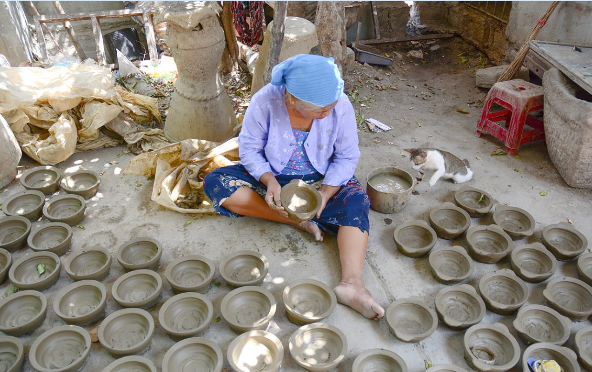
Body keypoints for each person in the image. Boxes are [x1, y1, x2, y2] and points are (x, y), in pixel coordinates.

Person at [203, 54, 384, 320]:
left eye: (330, 108)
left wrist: (324, 194)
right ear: (291, 99)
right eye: (320, 111)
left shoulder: (340, 104)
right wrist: (270, 181)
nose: (328, 113)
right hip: (275, 177)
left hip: (323, 179)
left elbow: (347, 157)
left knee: (357, 200)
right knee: (216, 183)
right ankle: (297, 221)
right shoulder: (265, 101)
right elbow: (250, 150)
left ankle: (352, 284)